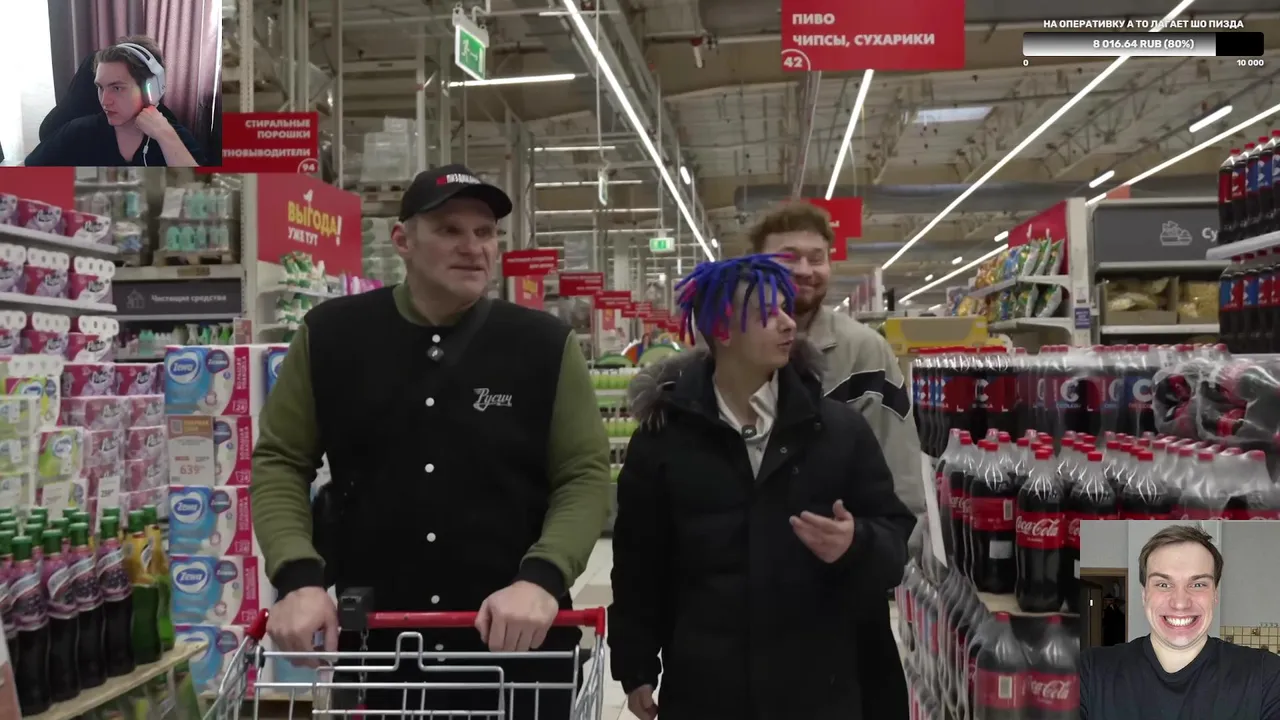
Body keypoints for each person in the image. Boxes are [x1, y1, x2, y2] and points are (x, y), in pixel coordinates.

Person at [250, 163, 611, 716]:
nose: (473, 247)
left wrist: (542, 578)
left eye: (485, 231)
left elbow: (583, 474)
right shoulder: (331, 337)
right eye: (449, 230)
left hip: (518, 647)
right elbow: (281, 459)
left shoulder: (543, 345)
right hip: (378, 650)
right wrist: (298, 578)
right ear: (403, 241)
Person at [608, 254, 916, 720]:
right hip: (705, 692)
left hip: (818, 692)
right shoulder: (663, 441)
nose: (789, 323)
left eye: (787, 309)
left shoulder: (838, 431)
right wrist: (636, 665)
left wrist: (857, 542)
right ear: (723, 330)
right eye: (768, 313)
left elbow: (895, 542)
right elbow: (638, 564)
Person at [747, 200, 924, 719]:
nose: (805, 269)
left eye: (817, 257)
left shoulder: (865, 352)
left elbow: (902, 476)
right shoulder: (727, 347)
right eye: (788, 256)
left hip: (842, 593)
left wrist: (880, 554)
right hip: (747, 600)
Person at [1079, 524, 1280, 719]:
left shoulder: (1266, 675)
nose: (1180, 603)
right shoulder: (1089, 672)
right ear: (1144, 595)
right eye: (1163, 584)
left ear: (1215, 595)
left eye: (1198, 584)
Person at [24, 37, 202, 167]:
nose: (104, 101)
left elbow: (203, 198)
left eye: (117, 88)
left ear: (151, 89)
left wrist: (165, 136)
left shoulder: (174, 138)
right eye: (100, 87)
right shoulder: (78, 132)